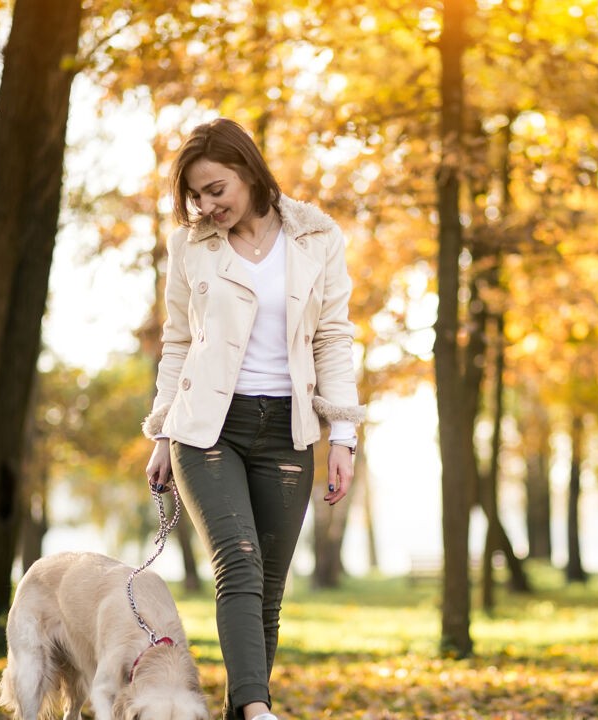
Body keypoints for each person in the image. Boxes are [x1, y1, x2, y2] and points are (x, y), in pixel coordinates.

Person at [142, 117, 364, 720]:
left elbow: (333, 337)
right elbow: (178, 342)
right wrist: (163, 431)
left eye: (217, 189)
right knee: (237, 561)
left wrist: (342, 434)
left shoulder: (317, 238)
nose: (206, 205)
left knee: (266, 592)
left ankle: (242, 710)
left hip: (287, 432)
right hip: (207, 429)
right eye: (196, 195)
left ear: (249, 170)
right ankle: (260, 711)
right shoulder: (191, 247)